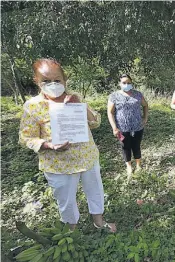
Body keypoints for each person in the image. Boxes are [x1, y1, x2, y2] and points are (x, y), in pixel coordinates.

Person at [19, 58, 116, 232]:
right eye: (46, 81)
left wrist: (80, 105)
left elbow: (95, 122)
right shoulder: (32, 106)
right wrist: (49, 145)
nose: (52, 84)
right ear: (37, 81)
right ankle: (71, 230)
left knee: (95, 190)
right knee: (66, 199)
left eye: (57, 80)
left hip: (87, 157)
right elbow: (26, 137)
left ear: (64, 80)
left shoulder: (74, 97)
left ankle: (99, 221)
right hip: (58, 164)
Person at [107, 74, 148, 175]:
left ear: (131, 83)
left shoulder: (138, 94)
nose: (126, 84)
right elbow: (110, 112)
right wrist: (114, 127)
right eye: (124, 83)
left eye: (128, 83)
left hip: (138, 126)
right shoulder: (114, 96)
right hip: (122, 128)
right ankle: (129, 166)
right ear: (119, 84)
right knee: (125, 146)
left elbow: (145, 105)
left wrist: (145, 118)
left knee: (136, 145)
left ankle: (138, 165)